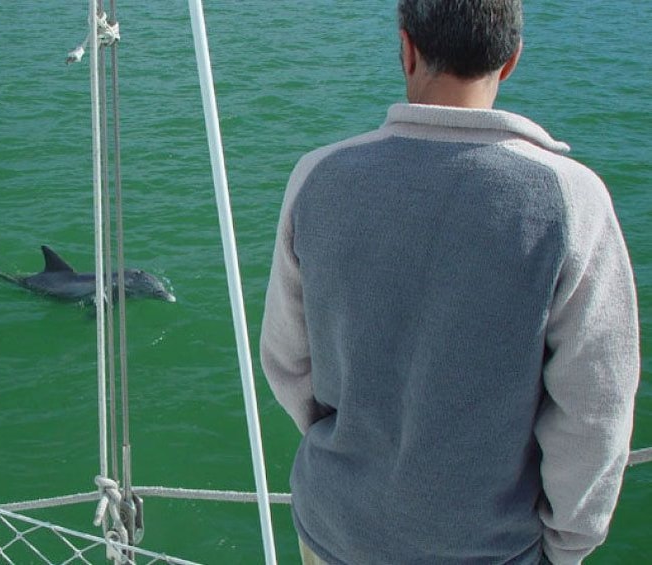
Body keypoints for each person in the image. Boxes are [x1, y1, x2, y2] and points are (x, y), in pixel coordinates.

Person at [259, 1, 640, 564]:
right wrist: (567, 547)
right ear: (510, 60)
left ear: (407, 48)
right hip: (490, 551)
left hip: (336, 532)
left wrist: (359, 442)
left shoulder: (318, 177)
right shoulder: (571, 202)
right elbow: (594, 410)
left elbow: (288, 364)